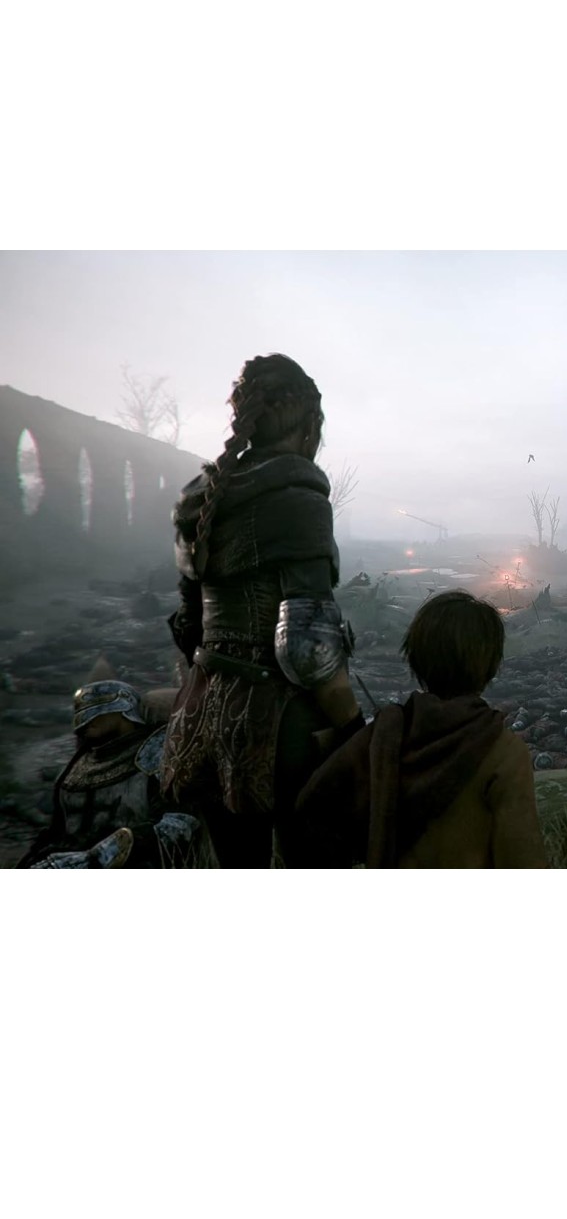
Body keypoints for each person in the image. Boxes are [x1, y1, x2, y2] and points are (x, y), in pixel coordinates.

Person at [160, 353, 363, 867]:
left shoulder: (202, 500)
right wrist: (353, 728)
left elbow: (189, 627)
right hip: (279, 727)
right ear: (310, 423)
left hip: (201, 714)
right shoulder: (299, 499)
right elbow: (306, 646)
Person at [296, 589, 549, 868]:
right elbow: (523, 861)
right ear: (490, 664)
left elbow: (314, 808)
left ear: (416, 657)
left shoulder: (382, 735)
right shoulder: (504, 752)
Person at [18, 657, 177, 868]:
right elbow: (57, 832)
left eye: (98, 709)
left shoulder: (154, 754)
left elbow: (177, 823)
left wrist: (96, 858)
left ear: (124, 708)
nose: (88, 720)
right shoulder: (76, 766)